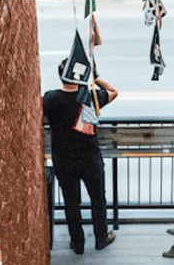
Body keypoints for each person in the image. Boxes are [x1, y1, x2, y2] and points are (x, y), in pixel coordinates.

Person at [42, 60, 119, 254]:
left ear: (62, 77)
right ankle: (101, 238)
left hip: (64, 159)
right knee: (98, 199)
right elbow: (113, 91)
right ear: (82, 76)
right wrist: (95, 78)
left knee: (71, 202)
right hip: (89, 158)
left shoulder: (50, 98)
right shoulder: (91, 96)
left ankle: (78, 243)